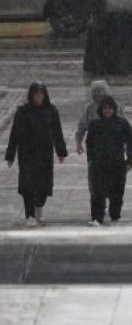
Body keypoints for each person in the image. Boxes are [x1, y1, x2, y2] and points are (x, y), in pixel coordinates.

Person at [5, 82, 67, 226]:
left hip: (44, 153)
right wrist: (10, 155)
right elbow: (15, 134)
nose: (38, 96)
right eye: (36, 94)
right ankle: (30, 215)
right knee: (28, 185)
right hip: (27, 153)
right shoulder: (23, 112)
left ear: (44, 95)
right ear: (31, 95)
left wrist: (61, 151)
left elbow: (57, 132)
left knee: (43, 184)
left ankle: (39, 207)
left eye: (41, 94)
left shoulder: (51, 111)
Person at [84, 96, 132, 225]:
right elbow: (89, 143)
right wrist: (90, 158)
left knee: (116, 192)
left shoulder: (122, 123)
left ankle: (115, 216)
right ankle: (97, 218)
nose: (107, 111)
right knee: (98, 192)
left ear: (114, 109)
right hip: (99, 164)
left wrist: (129, 160)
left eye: (110, 108)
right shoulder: (95, 125)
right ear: (101, 109)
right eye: (105, 108)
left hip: (117, 163)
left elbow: (130, 142)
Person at [74, 80, 123, 156]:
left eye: (101, 95)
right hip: (96, 146)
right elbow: (82, 127)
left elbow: (124, 125)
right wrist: (78, 143)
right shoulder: (90, 108)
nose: (99, 98)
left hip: (114, 144)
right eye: (97, 95)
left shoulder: (116, 106)